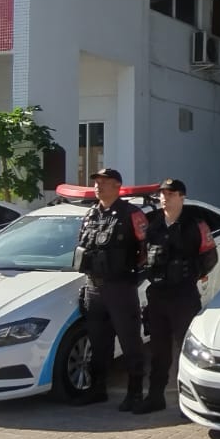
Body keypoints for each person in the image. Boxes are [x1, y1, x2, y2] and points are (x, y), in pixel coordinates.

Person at [138, 177, 217, 414]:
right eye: (162, 194)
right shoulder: (152, 224)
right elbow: (142, 255)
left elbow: (210, 257)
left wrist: (191, 275)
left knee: (186, 349)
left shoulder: (195, 224)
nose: (165, 198)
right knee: (159, 351)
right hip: (158, 295)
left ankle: (189, 401)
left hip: (183, 296)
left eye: (171, 194)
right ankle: (155, 397)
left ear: (182, 197)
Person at [73, 167, 148, 406]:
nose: (98, 185)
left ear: (117, 186)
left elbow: (147, 250)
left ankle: (135, 394)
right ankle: (97, 389)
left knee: (130, 342)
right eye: (96, 181)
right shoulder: (91, 214)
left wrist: (133, 276)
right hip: (94, 288)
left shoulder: (131, 214)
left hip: (120, 288)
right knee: (98, 342)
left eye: (104, 182)